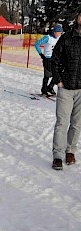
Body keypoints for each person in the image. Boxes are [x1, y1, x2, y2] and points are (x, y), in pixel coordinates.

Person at [51, 11, 81, 170]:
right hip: (66, 88)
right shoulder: (67, 38)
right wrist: (58, 81)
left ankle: (70, 151)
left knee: (77, 124)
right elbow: (54, 60)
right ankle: (57, 155)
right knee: (62, 123)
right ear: (78, 18)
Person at [35, 24, 63, 96]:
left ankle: (50, 87)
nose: (60, 34)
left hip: (56, 59)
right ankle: (44, 90)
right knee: (47, 75)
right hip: (47, 58)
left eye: (61, 33)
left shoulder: (60, 38)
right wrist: (41, 54)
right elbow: (37, 44)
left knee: (57, 74)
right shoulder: (48, 37)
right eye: (59, 33)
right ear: (54, 32)